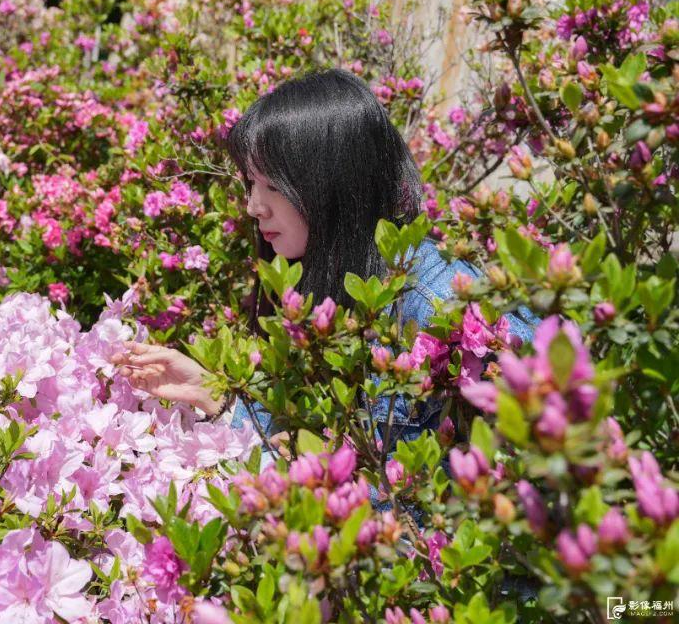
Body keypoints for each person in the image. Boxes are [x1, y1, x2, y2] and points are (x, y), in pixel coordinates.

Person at [110, 68, 539, 484]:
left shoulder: (441, 305)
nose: (253, 207)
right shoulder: (335, 279)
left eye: (273, 186)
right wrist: (215, 394)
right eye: (250, 184)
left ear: (331, 184)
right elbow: (319, 451)